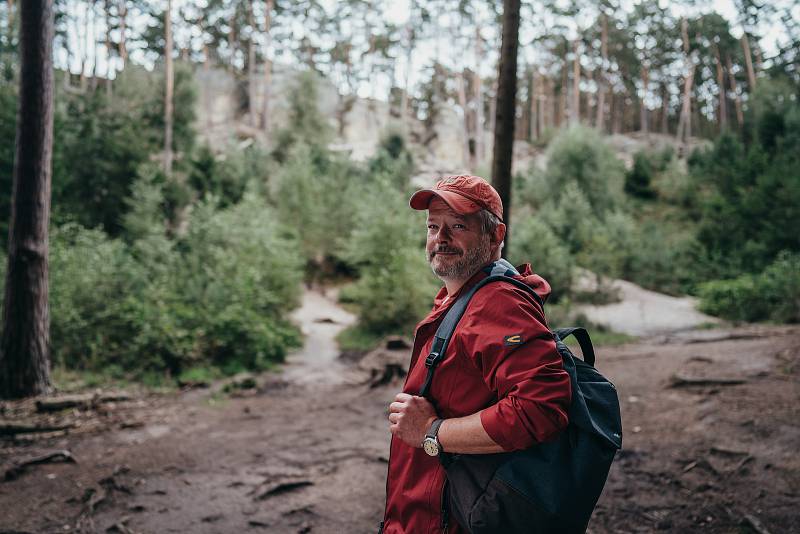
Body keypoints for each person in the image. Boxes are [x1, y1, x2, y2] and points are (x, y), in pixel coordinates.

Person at [380, 175, 573, 534]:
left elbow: (542, 407)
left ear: (496, 236)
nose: (441, 238)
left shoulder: (498, 302)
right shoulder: (463, 297)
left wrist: (431, 430)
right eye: (433, 226)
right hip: (429, 514)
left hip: (453, 520)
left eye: (457, 226)